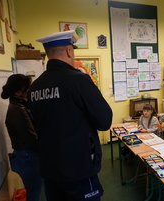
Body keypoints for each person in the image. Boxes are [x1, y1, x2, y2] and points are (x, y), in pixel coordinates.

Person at [28, 30, 113, 201]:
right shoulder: (78, 80)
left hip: (50, 168)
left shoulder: (35, 87)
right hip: (78, 169)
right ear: (68, 51)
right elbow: (104, 121)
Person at [1, 74, 43, 201]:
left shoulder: (20, 105)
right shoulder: (17, 109)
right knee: (34, 193)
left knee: (34, 191)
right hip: (27, 156)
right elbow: (31, 137)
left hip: (26, 155)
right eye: (27, 88)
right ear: (18, 91)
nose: (29, 91)